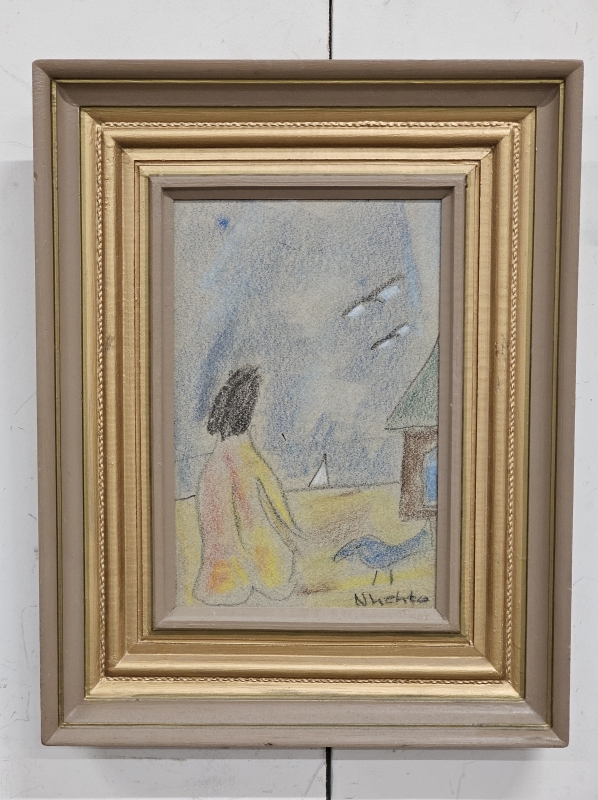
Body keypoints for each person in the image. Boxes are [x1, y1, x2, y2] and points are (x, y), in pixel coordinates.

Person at [193, 367, 301, 605]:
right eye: (261, 409)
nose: (266, 417)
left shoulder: (216, 460)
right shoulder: (244, 454)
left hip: (220, 581)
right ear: (248, 411)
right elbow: (276, 505)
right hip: (258, 575)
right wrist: (296, 536)